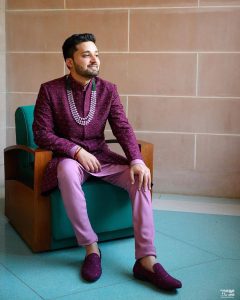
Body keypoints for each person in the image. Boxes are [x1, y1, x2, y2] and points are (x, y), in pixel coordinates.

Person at [33, 33, 182, 290]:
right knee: (67, 170)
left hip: (102, 157)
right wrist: (75, 151)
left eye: (97, 53)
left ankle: (146, 261)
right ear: (69, 62)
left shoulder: (108, 89)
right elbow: (41, 133)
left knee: (141, 177)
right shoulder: (50, 90)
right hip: (69, 160)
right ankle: (91, 249)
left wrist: (136, 159)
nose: (94, 59)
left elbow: (122, 127)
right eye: (86, 54)